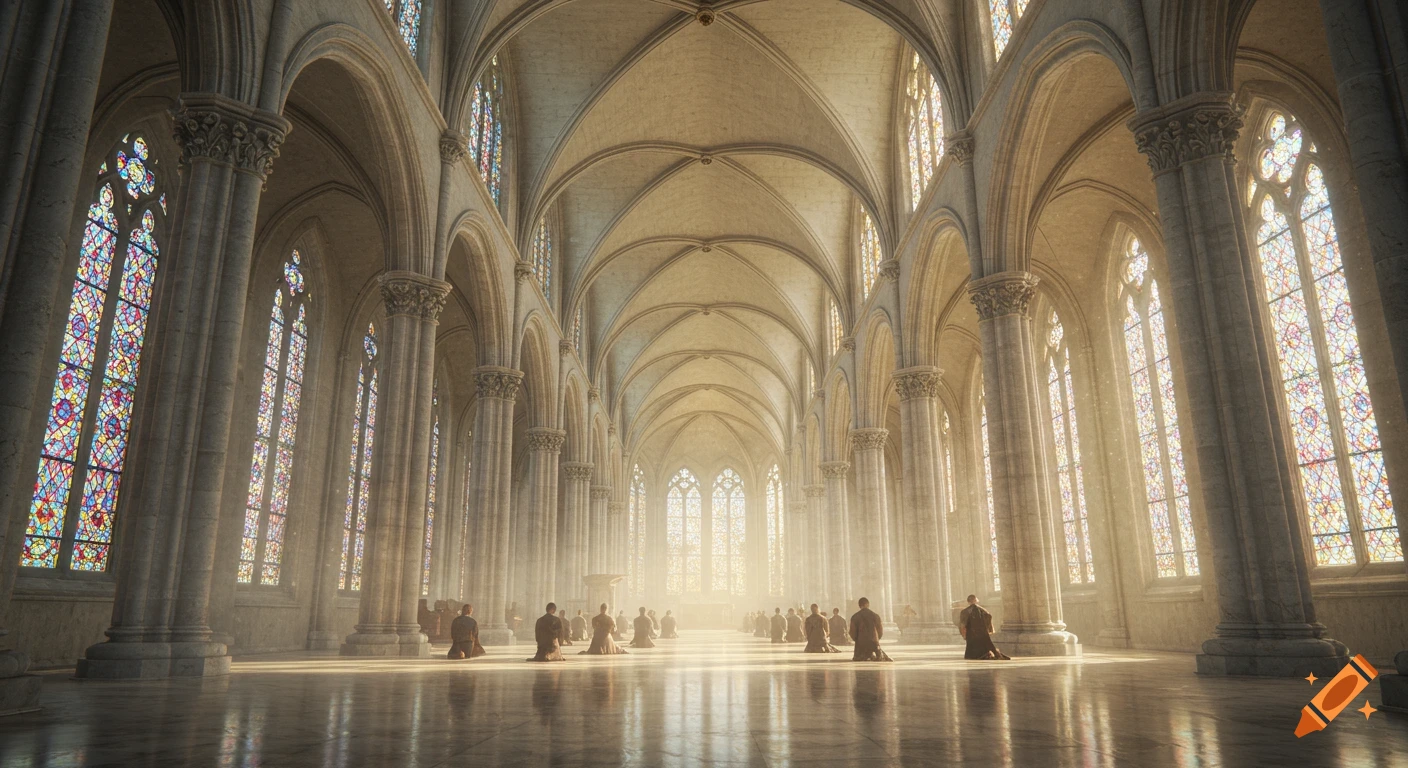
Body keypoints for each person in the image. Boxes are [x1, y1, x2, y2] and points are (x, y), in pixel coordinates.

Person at [959, 594, 1010, 660]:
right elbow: (989, 616)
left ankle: (976, 656)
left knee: (971, 646)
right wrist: (988, 628)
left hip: (971, 633)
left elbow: (962, 624)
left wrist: (964, 633)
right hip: (982, 632)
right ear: (975, 600)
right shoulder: (981, 609)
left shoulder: (964, 611)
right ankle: (991, 654)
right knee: (986, 644)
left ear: (968, 601)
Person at [849, 597, 892, 662]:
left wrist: (856, 639)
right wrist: (876, 639)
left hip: (860, 644)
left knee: (859, 659)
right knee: (878, 656)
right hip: (874, 642)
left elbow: (852, 632)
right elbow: (880, 630)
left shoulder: (855, 617)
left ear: (859, 605)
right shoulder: (875, 616)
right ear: (868, 604)